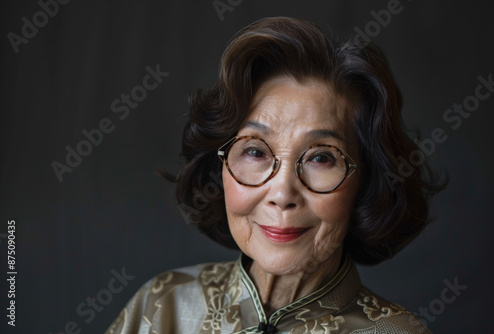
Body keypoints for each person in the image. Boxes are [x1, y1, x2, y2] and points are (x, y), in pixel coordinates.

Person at [105, 16, 443, 334]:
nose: (282, 194)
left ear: (365, 182)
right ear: (220, 166)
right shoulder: (163, 306)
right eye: (255, 151)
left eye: (322, 157)